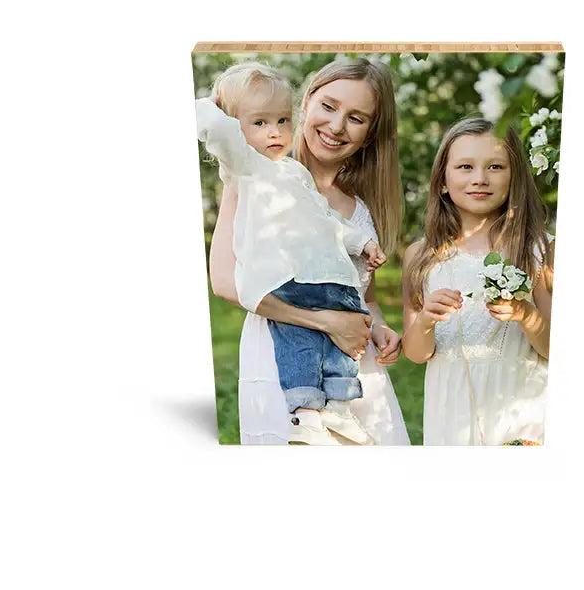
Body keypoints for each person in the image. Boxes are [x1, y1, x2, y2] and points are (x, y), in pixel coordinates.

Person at [208, 56, 410, 445]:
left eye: (356, 117)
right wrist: (327, 322)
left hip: (354, 368)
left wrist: (380, 327)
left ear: (369, 132)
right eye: (329, 106)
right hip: (282, 360)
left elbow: (364, 296)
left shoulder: (360, 208)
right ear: (306, 103)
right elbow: (226, 283)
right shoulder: (255, 179)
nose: (336, 126)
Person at [401, 118, 554, 445]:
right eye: (465, 166)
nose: (480, 178)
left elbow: (553, 347)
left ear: (514, 177)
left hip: (520, 404)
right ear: (443, 180)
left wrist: (527, 316)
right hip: (451, 407)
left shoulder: (539, 251)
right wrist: (426, 320)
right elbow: (415, 353)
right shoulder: (422, 256)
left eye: (496, 166)